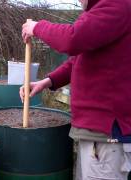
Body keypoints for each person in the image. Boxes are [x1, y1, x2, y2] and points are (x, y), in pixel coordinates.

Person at [20, 0, 131, 179]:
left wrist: (38, 27)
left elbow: (72, 39)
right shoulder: (100, 10)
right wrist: (48, 81)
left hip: (106, 137)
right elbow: (79, 58)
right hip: (95, 136)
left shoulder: (115, 5)